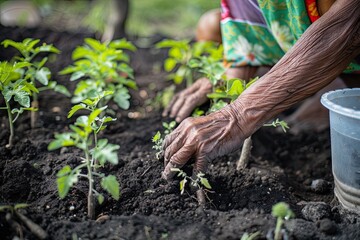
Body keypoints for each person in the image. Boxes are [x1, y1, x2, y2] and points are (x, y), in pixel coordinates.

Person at [161, 0, 360, 180]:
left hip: (340, 35)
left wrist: (238, 116)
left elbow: (350, 24)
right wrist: (222, 89)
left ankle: (335, 94)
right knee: (211, 25)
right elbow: (244, 36)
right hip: (297, 39)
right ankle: (330, 89)